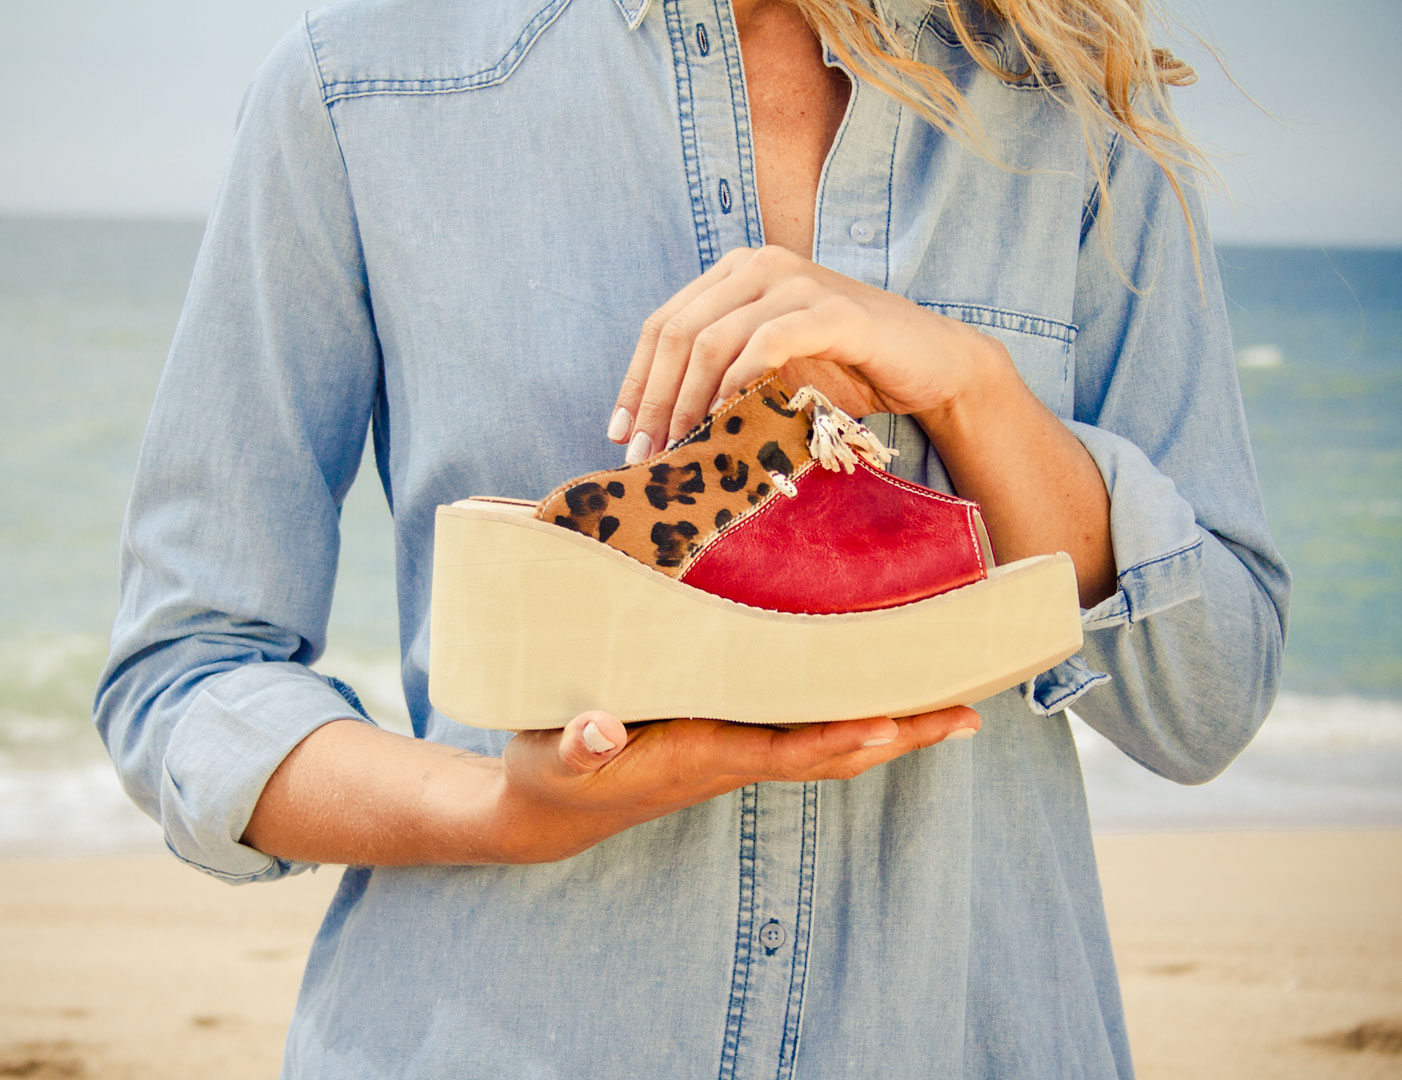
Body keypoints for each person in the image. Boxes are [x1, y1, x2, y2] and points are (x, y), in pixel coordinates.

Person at [94, 0, 1289, 1075]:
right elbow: (186, 673)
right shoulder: (360, 85)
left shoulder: (1068, 100)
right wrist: (501, 813)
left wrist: (971, 389)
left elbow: (1206, 700)